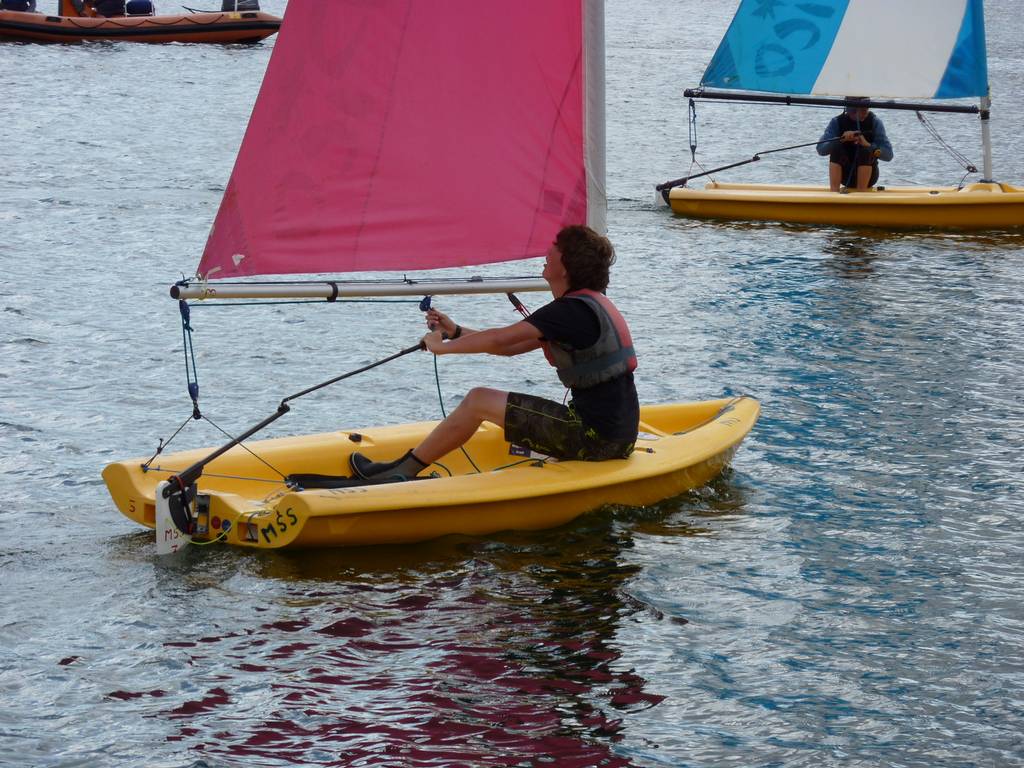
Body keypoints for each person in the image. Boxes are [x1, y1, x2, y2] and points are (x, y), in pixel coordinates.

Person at [349, 225, 640, 483]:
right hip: (615, 436)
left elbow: (501, 340)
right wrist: (456, 332)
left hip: (594, 439)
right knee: (481, 400)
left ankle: (401, 471)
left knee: (478, 400)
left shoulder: (569, 311)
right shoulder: (583, 308)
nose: (546, 252)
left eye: (553, 248)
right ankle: (404, 466)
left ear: (565, 266)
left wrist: (442, 348)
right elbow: (511, 347)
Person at [817, 99, 893, 192]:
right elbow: (820, 149)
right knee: (836, 147)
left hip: (870, 176)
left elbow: (888, 155)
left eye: (866, 109)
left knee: (865, 150)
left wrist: (868, 145)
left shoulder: (875, 122)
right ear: (849, 110)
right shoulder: (837, 122)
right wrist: (840, 140)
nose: (864, 112)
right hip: (845, 176)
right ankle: (834, 192)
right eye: (860, 110)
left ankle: (862, 194)